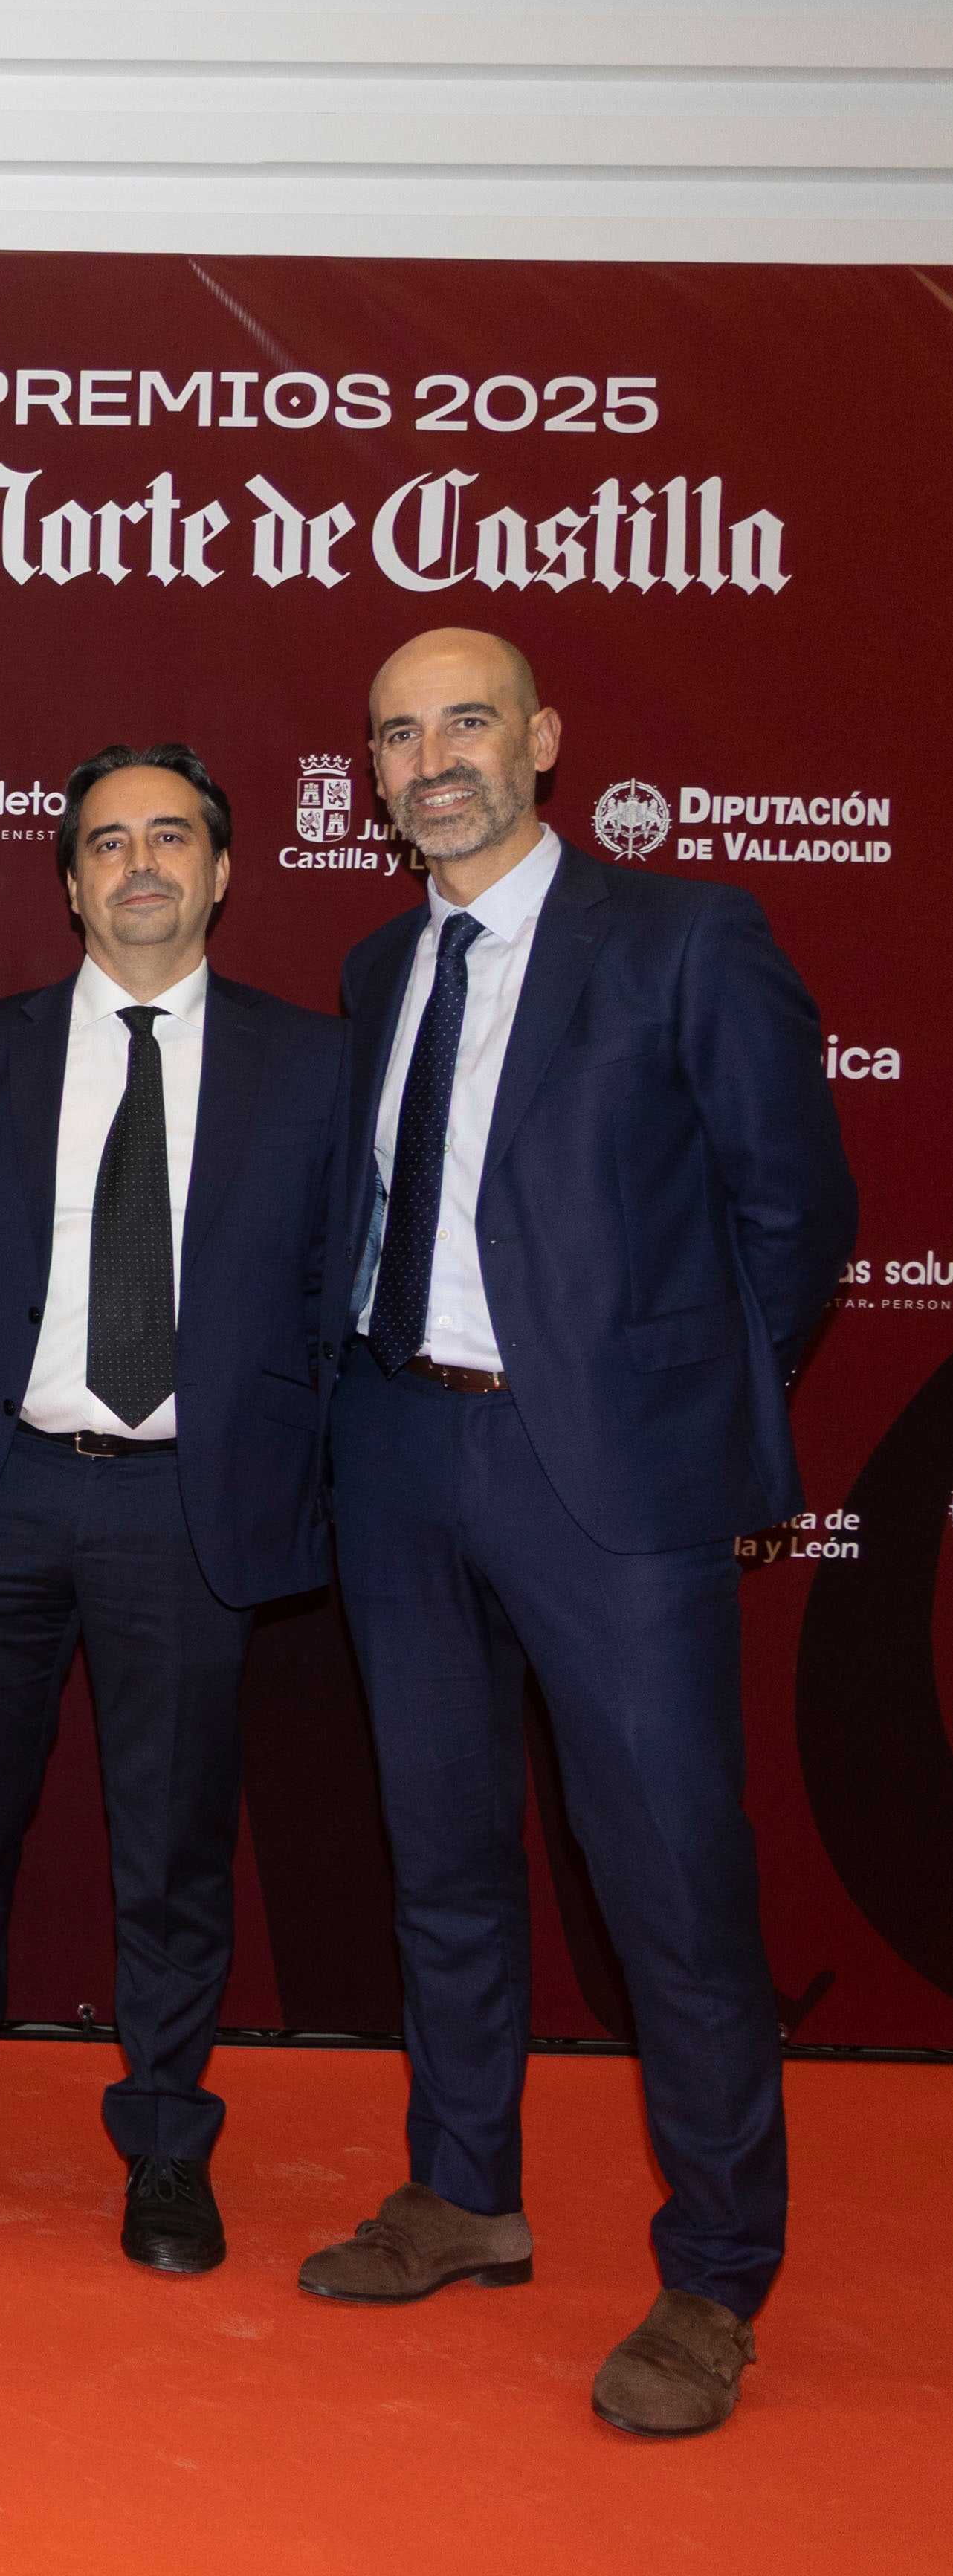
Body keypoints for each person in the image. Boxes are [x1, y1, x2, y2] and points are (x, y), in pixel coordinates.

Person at [302, 629, 851, 2438]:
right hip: (398, 1447)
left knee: (670, 1887)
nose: (430, 758)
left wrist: (667, 1405)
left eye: (464, 719)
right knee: (439, 1852)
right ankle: (463, 2188)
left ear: (539, 738)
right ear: (372, 777)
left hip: (606, 1481)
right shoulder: (377, 964)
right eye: (396, 734)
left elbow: (793, 1214)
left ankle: (715, 2271)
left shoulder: (684, 937)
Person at [0, 746, 341, 2274]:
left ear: (220, 871)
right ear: (67, 882)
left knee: (173, 1842)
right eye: (108, 843)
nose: (139, 865)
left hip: (185, 1505)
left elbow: (333, 1299)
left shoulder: (311, 1067)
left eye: (169, 838)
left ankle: (166, 2137)